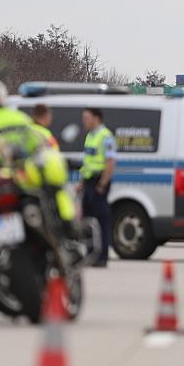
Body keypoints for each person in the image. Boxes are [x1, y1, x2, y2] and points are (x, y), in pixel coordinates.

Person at [80, 108, 117, 266]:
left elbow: (110, 163)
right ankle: (90, 254)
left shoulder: (106, 137)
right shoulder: (90, 136)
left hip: (99, 182)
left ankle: (102, 256)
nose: (84, 121)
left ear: (96, 118)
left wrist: (102, 184)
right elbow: (88, 161)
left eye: (87, 118)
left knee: (101, 220)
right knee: (88, 220)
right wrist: (81, 183)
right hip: (88, 181)